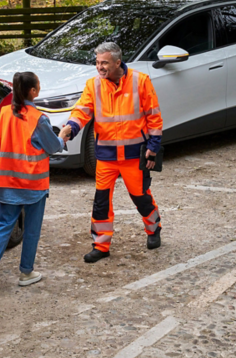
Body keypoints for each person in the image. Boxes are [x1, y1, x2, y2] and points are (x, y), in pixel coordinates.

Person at [59, 42, 163, 263]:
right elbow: (82, 111)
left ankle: (154, 229)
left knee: (141, 197)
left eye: (104, 63)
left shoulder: (140, 81)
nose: (100, 67)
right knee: (101, 202)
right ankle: (101, 245)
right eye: (97, 63)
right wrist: (70, 128)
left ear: (118, 62)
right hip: (106, 157)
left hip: (134, 156)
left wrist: (153, 148)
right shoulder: (93, 85)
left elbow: (154, 116)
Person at [0, 72, 66, 291]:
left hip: (7, 180)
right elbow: (53, 147)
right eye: (39, 85)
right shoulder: (38, 118)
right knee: (32, 228)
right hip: (33, 184)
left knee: (4, 225)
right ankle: (26, 272)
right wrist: (63, 135)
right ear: (33, 91)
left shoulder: (4, 113)